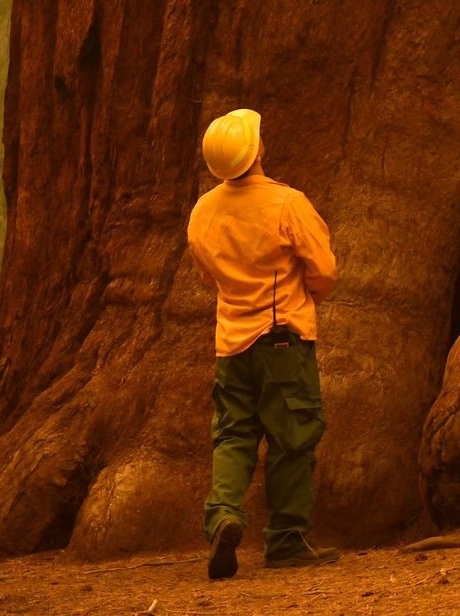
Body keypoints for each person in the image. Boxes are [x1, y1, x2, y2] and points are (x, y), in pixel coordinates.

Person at [186, 107, 340, 580]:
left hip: (230, 346)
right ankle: (287, 540)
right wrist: (306, 291)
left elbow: (206, 273)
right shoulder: (286, 203)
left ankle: (224, 517)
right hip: (282, 343)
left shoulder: (202, 211)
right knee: (292, 439)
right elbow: (325, 272)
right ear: (256, 151)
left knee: (233, 436)